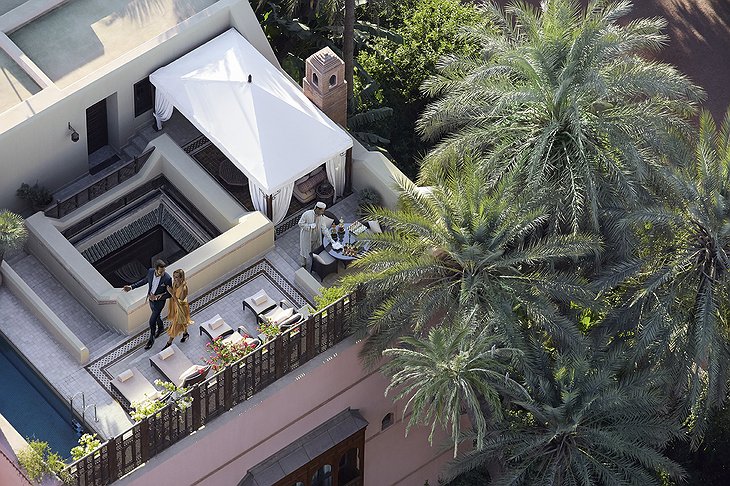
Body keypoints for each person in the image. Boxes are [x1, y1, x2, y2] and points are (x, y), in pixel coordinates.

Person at [123, 260, 172, 350]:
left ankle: (151, 339)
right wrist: (131, 287)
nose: (163, 273)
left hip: (159, 302)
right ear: (156, 269)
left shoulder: (167, 278)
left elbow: (169, 294)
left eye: (164, 270)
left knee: (152, 321)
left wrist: (156, 297)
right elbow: (145, 280)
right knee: (157, 317)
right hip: (150, 300)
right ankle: (161, 328)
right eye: (161, 271)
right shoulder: (150, 271)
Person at [163, 269, 192, 349]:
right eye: (174, 277)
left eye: (177, 277)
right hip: (176, 306)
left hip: (181, 308)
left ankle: (169, 343)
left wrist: (171, 293)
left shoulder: (184, 288)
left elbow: (180, 302)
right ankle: (185, 334)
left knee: (175, 325)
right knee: (183, 322)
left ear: (182, 277)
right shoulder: (175, 283)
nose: (175, 279)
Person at [298, 201, 327, 267]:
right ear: (317, 209)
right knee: (304, 251)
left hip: (316, 238)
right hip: (307, 238)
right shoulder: (307, 214)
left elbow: (324, 228)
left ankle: (315, 263)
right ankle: (303, 264)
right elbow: (300, 224)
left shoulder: (321, 217)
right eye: (322, 211)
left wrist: (329, 237)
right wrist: (309, 226)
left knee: (316, 251)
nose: (323, 212)